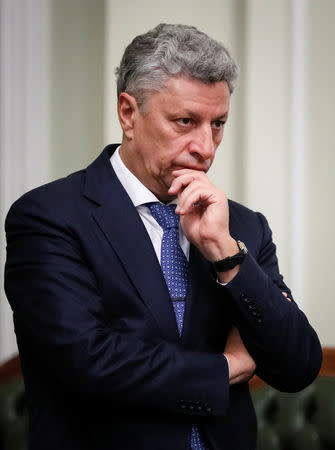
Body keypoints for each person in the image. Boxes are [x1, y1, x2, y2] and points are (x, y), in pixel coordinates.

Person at [5, 24, 322, 450]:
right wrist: (226, 368)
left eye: (218, 124)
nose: (206, 148)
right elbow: (87, 361)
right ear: (128, 113)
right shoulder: (49, 216)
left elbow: (298, 366)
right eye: (185, 121)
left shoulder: (242, 229)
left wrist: (226, 256)